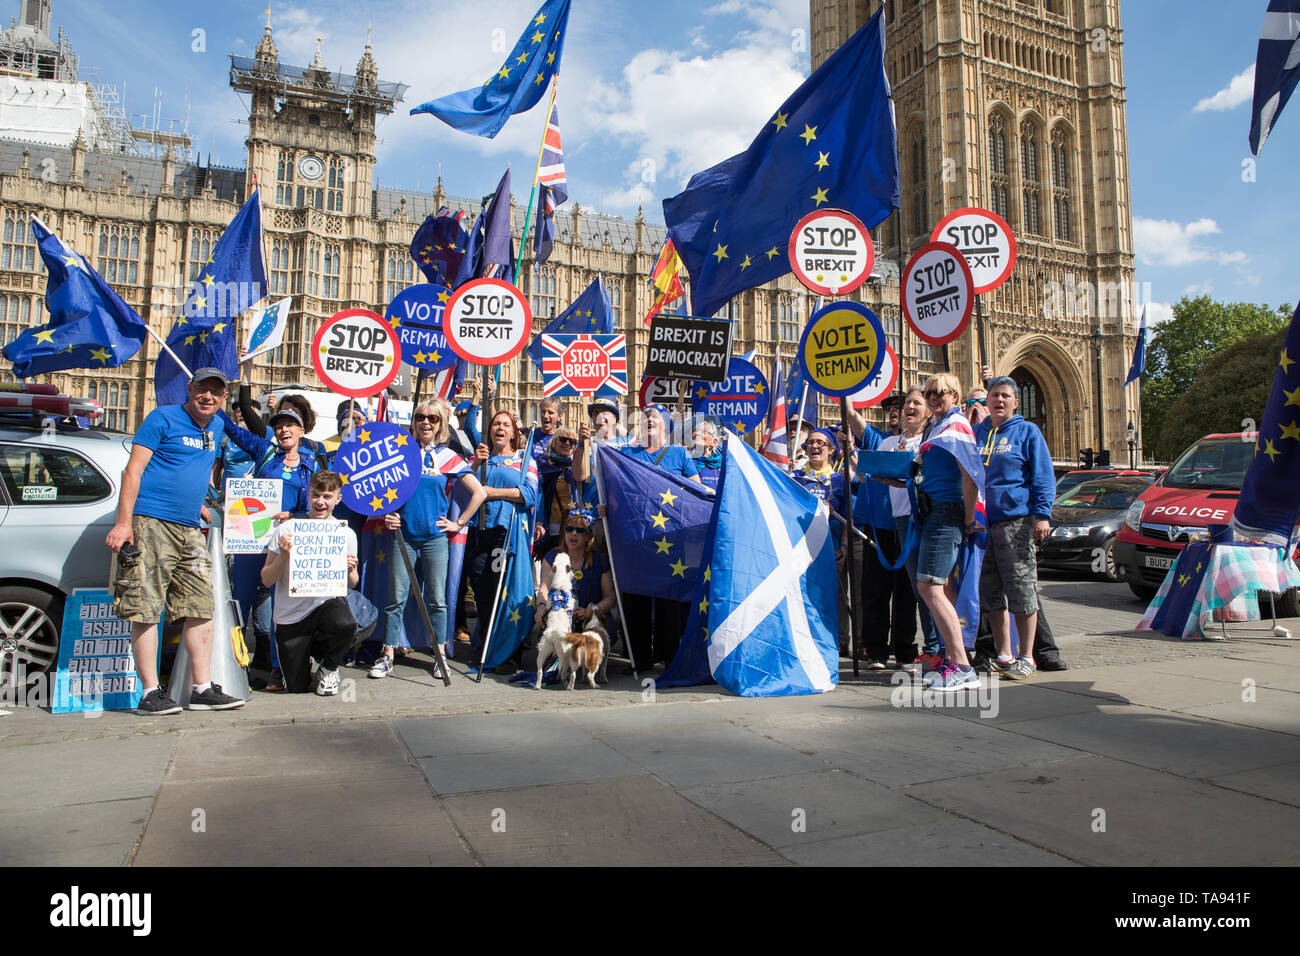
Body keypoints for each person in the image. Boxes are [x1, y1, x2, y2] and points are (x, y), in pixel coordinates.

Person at [106, 367, 245, 715]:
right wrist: (124, 524)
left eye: (216, 391)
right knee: (147, 606)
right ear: (189, 387)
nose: (208, 396)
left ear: (224, 397)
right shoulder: (162, 418)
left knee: (201, 605)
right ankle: (151, 692)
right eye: (203, 389)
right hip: (151, 521)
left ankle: (201, 688)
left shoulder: (215, 426)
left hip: (188, 528)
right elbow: (132, 471)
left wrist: (195, 501)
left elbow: (194, 467)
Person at [574, 404, 700, 671]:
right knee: (635, 596)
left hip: (668, 537)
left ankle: (669, 655)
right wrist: (605, 503)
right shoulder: (627, 454)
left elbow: (696, 490)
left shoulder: (680, 455)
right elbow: (604, 483)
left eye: (653, 417)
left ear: (666, 423)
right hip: (634, 536)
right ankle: (640, 658)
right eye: (643, 418)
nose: (647, 420)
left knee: (668, 599)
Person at [371, 399, 487, 679]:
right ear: (413, 421)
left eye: (432, 419)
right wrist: (389, 514)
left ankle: (439, 655)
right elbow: (384, 490)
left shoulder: (447, 456)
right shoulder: (402, 454)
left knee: (437, 600)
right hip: (403, 536)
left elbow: (479, 493)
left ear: (440, 425)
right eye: (421, 417)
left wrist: (458, 523)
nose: (425, 422)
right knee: (395, 597)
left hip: (435, 538)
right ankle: (388, 654)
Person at [218, 398, 321, 686]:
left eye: (289, 425)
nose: (283, 430)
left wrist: (295, 513)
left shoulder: (310, 463)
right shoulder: (265, 451)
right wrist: (219, 406)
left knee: (283, 608)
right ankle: (231, 664)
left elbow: (314, 506)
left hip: (285, 543)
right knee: (241, 602)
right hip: (252, 541)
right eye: (278, 425)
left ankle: (281, 669)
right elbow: (233, 431)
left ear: (301, 430)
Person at [974, 376, 1055, 680]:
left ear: (1015, 402)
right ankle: (1004, 654)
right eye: (994, 395)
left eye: (1005, 396)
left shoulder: (1027, 431)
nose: (999, 400)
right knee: (991, 592)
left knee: (1021, 588)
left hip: (1016, 522)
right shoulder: (979, 432)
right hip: (983, 524)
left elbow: (1043, 477)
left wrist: (1042, 515)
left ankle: (1028, 656)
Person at [260, 471, 360, 695]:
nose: (320, 502)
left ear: (338, 499)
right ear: (308, 495)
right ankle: (304, 659)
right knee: (296, 688)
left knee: (346, 623)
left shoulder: (346, 534)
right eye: (316, 495)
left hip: (325, 610)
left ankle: (329, 665)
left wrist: (351, 570)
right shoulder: (286, 530)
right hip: (291, 618)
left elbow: (352, 583)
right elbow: (266, 579)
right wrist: (284, 555)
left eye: (327, 496)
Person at [915, 373, 982, 692]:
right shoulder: (938, 426)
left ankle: (962, 666)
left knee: (929, 587)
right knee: (942, 590)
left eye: (939, 392)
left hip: (945, 512)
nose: (932, 398)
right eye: (929, 393)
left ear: (955, 395)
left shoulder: (956, 426)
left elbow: (970, 476)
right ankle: (954, 659)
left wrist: (969, 518)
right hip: (933, 511)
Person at [465, 408, 539, 671]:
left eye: (506, 425)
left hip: (504, 534)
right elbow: (462, 487)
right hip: (478, 531)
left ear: (513, 433)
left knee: (502, 590)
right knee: (483, 592)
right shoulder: (482, 458)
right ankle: (485, 645)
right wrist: (474, 464)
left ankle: (507, 651)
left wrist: (491, 492)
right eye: (496, 423)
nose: (500, 428)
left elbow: (528, 494)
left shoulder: (523, 460)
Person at [875, 387, 932, 673]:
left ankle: (936, 648)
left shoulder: (931, 439)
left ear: (929, 410)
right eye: (907, 402)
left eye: (916, 403)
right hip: (901, 519)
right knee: (918, 587)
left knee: (930, 585)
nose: (909, 407)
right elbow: (874, 469)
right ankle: (932, 649)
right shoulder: (891, 442)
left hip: (926, 515)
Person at [533, 508, 617, 676]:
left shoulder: (600, 560)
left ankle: (590, 660)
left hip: (588, 617)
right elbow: (544, 587)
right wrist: (541, 606)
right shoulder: (552, 556)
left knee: (609, 629)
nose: (573, 534)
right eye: (569, 529)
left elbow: (610, 597)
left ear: (588, 536)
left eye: (580, 530)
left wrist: (590, 611)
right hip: (561, 614)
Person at [690, 418, 723, 491]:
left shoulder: (723, 465)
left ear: (714, 442)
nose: (697, 433)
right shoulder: (687, 462)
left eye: (703, 431)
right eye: (695, 431)